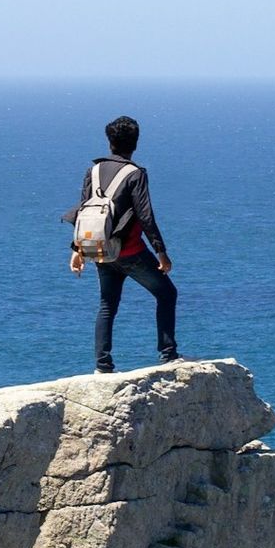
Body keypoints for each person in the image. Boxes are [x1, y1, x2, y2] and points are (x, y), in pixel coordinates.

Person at [66, 115, 178, 373]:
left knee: (107, 304)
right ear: (135, 143)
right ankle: (168, 354)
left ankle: (102, 366)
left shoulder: (92, 171)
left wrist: (78, 250)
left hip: (101, 251)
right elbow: (145, 215)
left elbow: (84, 211)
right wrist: (161, 252)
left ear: (110, 142)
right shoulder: (135, 174)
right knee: (166, 293)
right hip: (131, 252)